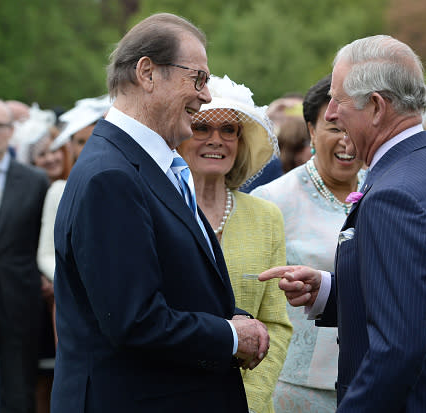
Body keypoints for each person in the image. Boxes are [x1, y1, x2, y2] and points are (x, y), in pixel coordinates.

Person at [259, 35, 426, 411]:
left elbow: (399, 347)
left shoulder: (395, 194)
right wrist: (329, 291)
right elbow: (424, 297)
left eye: (338, 99)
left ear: (375, 107)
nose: (332, 112)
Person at [51, 13, 269, 413]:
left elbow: (177, 287)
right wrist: (230, 337)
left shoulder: (147, 165)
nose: (206, 96)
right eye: (199, 79)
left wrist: (235, 320)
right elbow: (134, 321)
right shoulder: (111, 176)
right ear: (147, 73)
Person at [177, 74, 292, 413]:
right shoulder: (160, 210)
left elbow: (277, 324)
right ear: (180, 136)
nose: (217, 140)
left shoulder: (266, 216)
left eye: (228, 130)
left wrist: (251, 400)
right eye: (202, 129)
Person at [252, 74, 365, 413]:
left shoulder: (386, 192)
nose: (347, 141)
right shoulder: (273, 200)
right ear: (311, 131)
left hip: (372, 378)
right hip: (295, 385)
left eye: (353, 127)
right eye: (334, 128)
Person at [0, 97, 49, 412]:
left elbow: (41, 239)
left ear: (11, 131)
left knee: (20, 386)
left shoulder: (35, 181)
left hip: (20, 297)